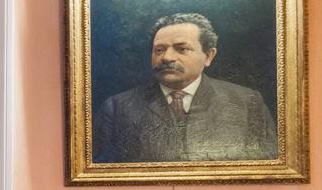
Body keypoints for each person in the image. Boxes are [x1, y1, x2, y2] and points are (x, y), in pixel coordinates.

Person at [94, 11, 277, 162]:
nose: (167, 57)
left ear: (209, 56)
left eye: (181, 49)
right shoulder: (118, 108)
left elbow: (268, 165)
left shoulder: (247, 103)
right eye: (159, 50)